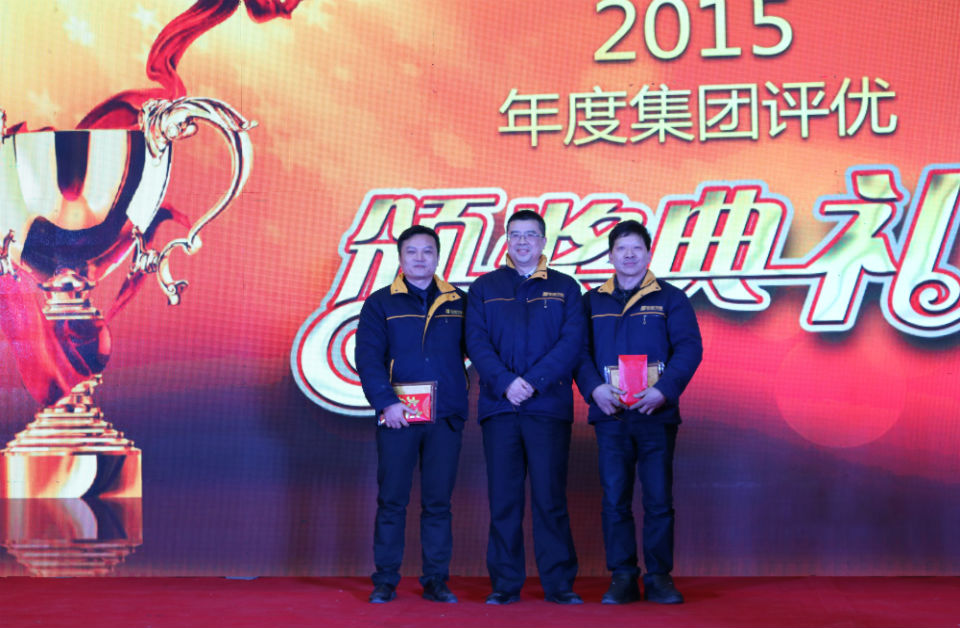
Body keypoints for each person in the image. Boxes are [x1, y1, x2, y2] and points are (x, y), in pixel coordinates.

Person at [575, 219, 702, 605]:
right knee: (615, 498)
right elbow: (578, 352)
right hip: (610, 415)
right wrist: (594, 389)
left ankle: (659, 577)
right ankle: (623, 577)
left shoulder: (671, 298)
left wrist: (664, 391)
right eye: (621, 248)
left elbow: (689, 348)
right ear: (610, 255)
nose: (629, 255)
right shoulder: (591, 301)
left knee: (658, 499)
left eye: (636, 248)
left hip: (655, 415)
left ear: (648, 254)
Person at [465, 209, 585, 605]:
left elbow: (572, 343)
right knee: (504, 500)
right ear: (507, 240)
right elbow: (476, 342)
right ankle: (505, 584)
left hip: (547, 407)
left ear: (543, 241)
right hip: (500, 408)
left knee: (550, 499)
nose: (522, 241)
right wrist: (505, 383)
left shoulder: (565, 288)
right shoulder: (485, 287)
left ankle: (559, 584)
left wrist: (533, 382)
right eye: (515, 234)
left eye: (530, 235)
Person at [354, 225, 468, 604]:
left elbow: (481, 349)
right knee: (392, 501)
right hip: (397, 416)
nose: (420, 258)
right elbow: (368, 358)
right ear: (400, 258)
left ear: (438, 256)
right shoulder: (380, 303)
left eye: (427, 251)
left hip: (445, 416)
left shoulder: (460, 301)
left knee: (438, 504)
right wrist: (386, 403)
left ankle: (436, 580)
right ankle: (385, 580)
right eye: (412, 252)